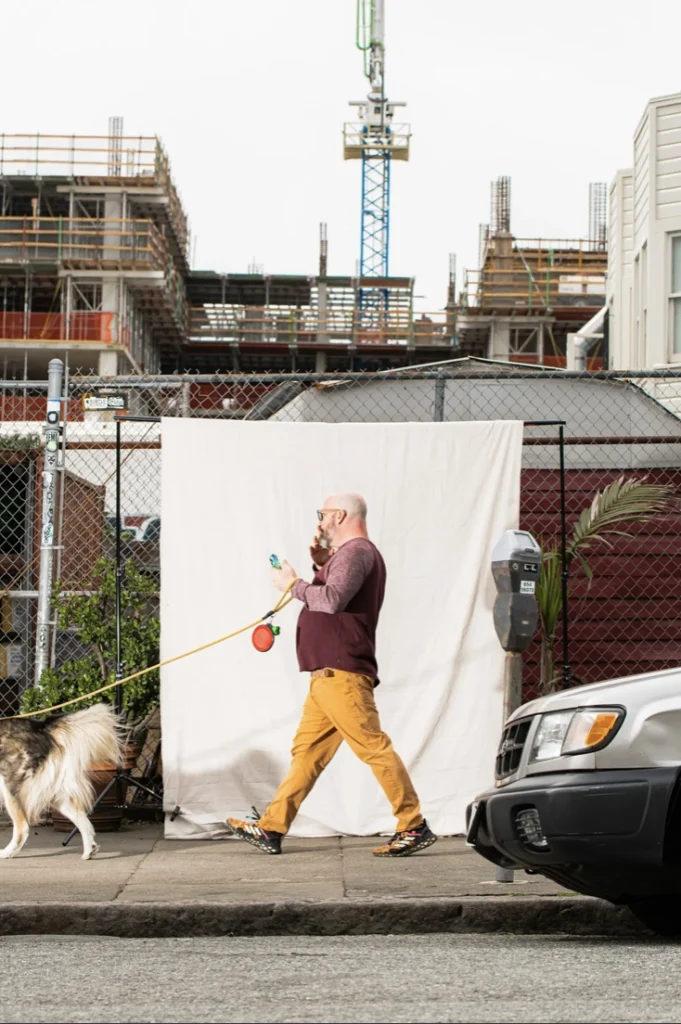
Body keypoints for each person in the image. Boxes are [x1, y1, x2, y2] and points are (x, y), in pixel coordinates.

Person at [226, 493, 436, 857]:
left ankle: (413, 825)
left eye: (322, 515)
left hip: (341, 672)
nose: (319, 522)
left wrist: (292, 585)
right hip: (326, 677)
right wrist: (322, 565)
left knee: (373, 747)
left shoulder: (357, 551)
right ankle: (272, 828)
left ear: (340, 515)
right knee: (306, 754)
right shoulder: (348, 556)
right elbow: (334, 593)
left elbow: (332, 600)